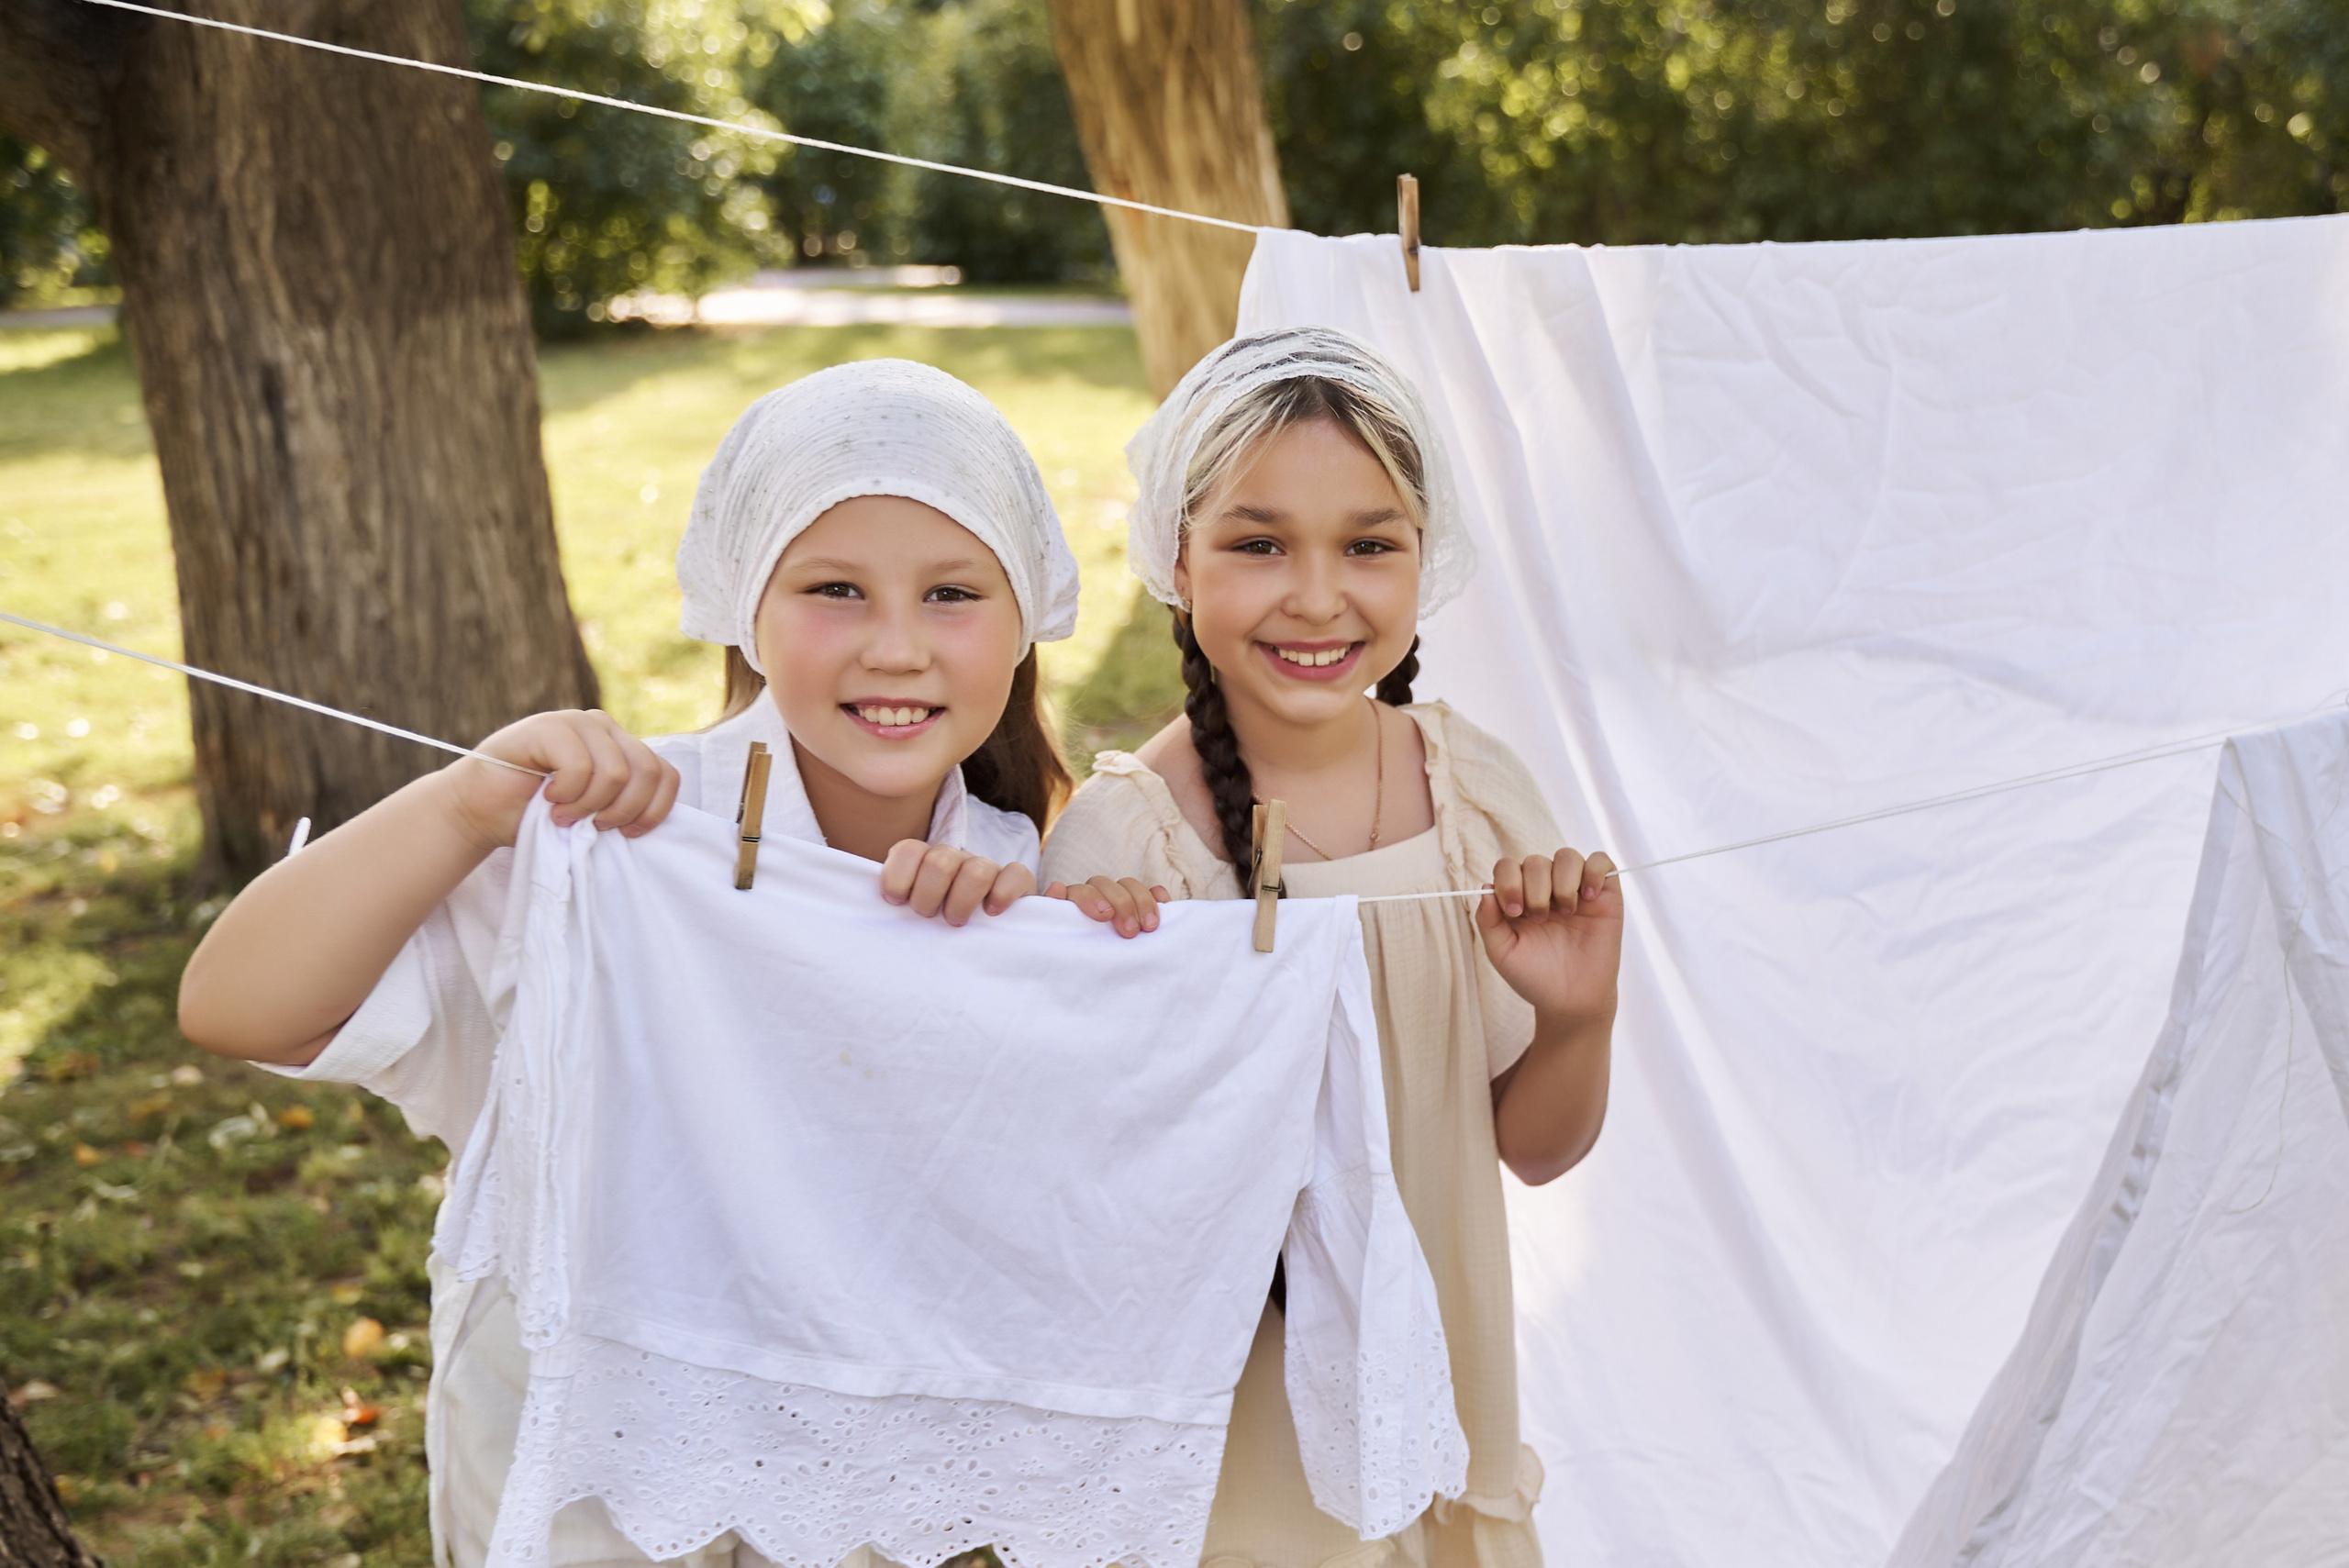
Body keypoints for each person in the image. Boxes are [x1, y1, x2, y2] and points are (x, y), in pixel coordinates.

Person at [177, 359, 1151, 1567]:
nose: (895, 646)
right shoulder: (613, 840)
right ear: (746, 602)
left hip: (866, 1501)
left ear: (1027, 620)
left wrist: (1080, 954)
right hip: (592, 1481)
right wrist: (465, 805)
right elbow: (235, 1004)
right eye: (835, 587)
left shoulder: (1017, 874)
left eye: (952, 592)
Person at [1040, 326, 1622, 1568]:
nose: (1318, 594)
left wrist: (1579, 1016)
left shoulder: (1471, 794)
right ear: (1178, 561)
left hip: (1441, 1419)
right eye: (1259, 543)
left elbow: (1532, 1144)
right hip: (1229, 1466)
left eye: (1369, 543)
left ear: (1426, 558)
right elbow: (1080, 1214)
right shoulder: (1125, 846)